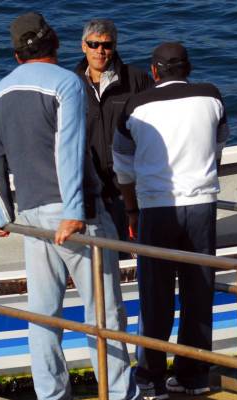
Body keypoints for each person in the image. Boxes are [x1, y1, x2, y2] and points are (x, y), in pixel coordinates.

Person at [0, 12, 161, 400]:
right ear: (56, 45)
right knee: (105, 310)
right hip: (77, 214)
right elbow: (68, 149)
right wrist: (73, 211)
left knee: (42, 312)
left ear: (16, 55)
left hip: (28, 216)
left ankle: (52, 399)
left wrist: (2, 213)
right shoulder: (68, 82)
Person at [112, 42, 229, 400]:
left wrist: (131, 210)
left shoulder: (135, 105)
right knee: (199, 290)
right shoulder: (212, 97)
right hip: (202, 205)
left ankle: (151, 379)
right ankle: (193, 375)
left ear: (154, 72)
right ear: (188, 68)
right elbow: (219, 145)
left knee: (155, 294)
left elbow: (122, 166)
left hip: (156, 208)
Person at [75, 19, 153, 246]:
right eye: (93, 44)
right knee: (98, 254)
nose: (100, 51)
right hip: (89, 188)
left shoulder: (137, 80)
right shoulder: (71, 85)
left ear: (115, 46)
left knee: (136, 250)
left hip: (130, 187)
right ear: (83, 46)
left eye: (107, 45)